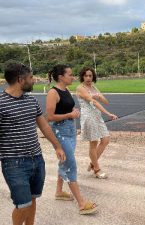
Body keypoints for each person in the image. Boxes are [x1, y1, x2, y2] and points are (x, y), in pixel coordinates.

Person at [0, 63, 65, 225]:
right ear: (20, 80)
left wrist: (57, 146)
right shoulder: (1, 103)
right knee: (23, 205)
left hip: (36, 158)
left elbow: (43, 125)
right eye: (30, 77)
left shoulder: (31, 101)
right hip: (14, 163)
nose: (33, 80)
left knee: (33, 199)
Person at [46, 64, 97, 215]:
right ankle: (81, 203)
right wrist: (69, 115)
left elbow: (66, 108)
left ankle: (59, 192)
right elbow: (49, 117)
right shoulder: (53, 93)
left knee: (64, 161)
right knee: (70, 165)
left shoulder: (66, 90)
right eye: (70, 74)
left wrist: (73, 112)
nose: (73, 77)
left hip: (70, 130)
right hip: (60, 132)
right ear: (61, 77)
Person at [76, 67, 117, 179]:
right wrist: (108, 114)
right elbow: (93, 102)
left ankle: (92, 163)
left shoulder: (93, 87)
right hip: (88, 117)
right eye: (86, 76)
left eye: (90, 75)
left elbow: (105, 101)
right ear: (82, 77)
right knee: (93, 143)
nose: (88, 78)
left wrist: (99, 96)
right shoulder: (81, 88)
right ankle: (97, 170)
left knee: (106, 139)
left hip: (97, 116)